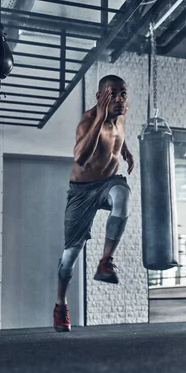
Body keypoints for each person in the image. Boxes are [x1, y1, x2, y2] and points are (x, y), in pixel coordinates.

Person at [53, 75, 134, 332]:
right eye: (113, 94)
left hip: (108, 182)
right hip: (81, 191)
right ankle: (60, 303)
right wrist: (99, 118)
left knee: (123, 196)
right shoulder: (87, 121)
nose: (119, 99)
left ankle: (105, 261)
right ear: (100, 97)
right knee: (70, 256)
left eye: (123, 93)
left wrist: (127, 151)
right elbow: (81, 158)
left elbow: (115, 138)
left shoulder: (120, 115)